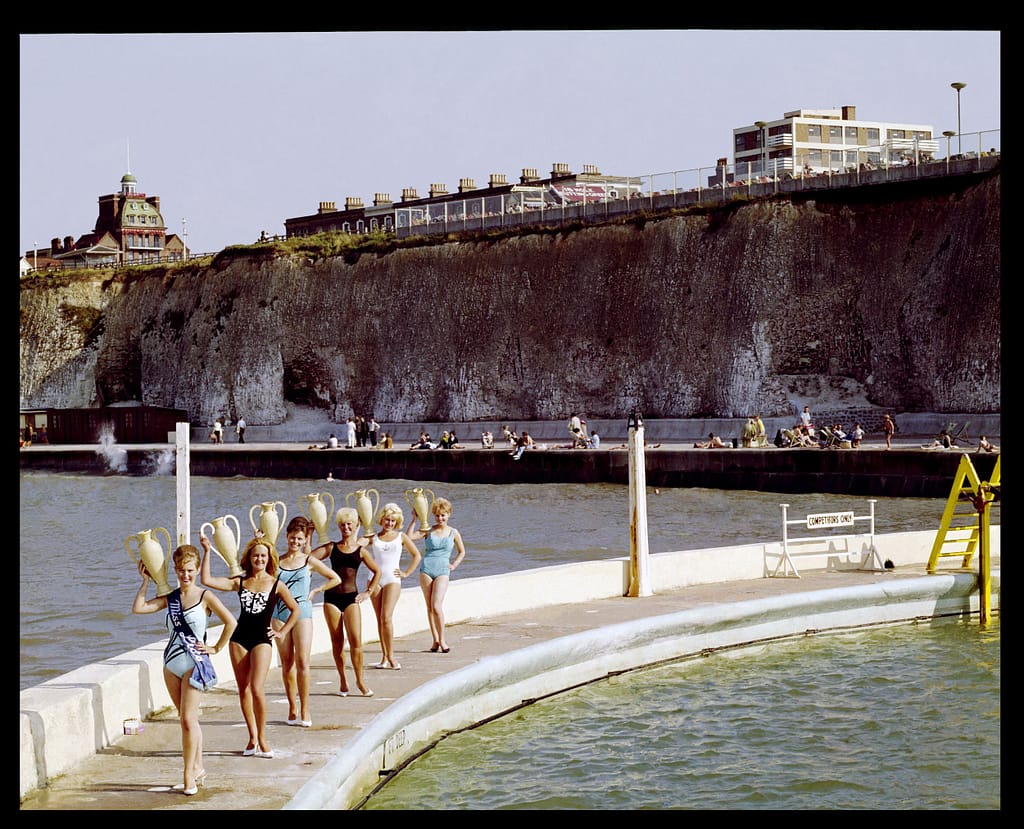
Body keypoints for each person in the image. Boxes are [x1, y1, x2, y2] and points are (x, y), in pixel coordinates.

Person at [132, 544, 236, 795]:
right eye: (180, 570)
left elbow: (231, 622)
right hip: (171, 664)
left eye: (190, 570)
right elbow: (139, 608)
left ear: (197, 569)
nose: (185, 575)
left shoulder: (205, 597)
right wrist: (145, 582)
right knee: (187, 720)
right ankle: (198, 767)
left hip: (194, 665)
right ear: (175, 571)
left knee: (188, 720)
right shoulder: (171, 598)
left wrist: (215, 648)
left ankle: (188, 776)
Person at [200, 531, 300, 759]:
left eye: (263, 556)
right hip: (239, 638)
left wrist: (282, 632)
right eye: (256, 556)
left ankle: (263, 738)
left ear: (269, 558)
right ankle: (252, 737)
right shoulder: (241, 581)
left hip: (263, 640)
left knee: (257, 688)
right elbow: (207, 581)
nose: (259, 560)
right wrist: (207, 552)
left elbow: (295, 610)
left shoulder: (277, 584)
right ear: (249, 558)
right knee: (243, 689)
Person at [271, 517, 341, 727]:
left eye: (299, 538)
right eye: (292, 537)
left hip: (302, 613)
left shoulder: (309, 561)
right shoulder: (277, 562)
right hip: (279, 614)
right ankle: (292, 707)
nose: (295, 541)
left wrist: (317, 590)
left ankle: (305, 709)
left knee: (302, 661)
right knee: (286, 663)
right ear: (287, 537)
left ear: (304, 540)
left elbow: (334, 578)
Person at [311, 508, 381, 697]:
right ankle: (343, 680)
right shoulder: (331, 547)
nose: (346, 527)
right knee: (337, 642)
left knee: (356, 642)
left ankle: (360, 681)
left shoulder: (361, 551)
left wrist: (368, 592)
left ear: (356, 525)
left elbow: (377, 571)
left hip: (352, 598)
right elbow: (308, 558)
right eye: (343, 524)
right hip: (331, 599)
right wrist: (310, 535)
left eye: (349, 524)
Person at [406, 497, 466, 654]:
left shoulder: (454, 532)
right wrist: (414, 519)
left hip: (443, 571)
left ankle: (443, 639)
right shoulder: (428, 530)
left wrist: (454, 565)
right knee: (429, 607)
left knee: (436, 606)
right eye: (438, 515)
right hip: (426, 569)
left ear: (449, 514)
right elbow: (409, 537)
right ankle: (435, 640)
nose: (440, 518)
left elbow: (462, 551)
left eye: (443, 515)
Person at [368, 503, 422, 670]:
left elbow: (416, 555)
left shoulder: (401, 537)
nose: (389, 523)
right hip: (374, 579)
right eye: (387, 519)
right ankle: (384, 657)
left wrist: (406, 573)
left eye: (392, 521)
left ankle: (391, 657)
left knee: (386, 618)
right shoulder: (373, 537)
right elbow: (356, 548)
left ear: (397, 522)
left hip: (393, 579)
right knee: (379, 620)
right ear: (381, 519)